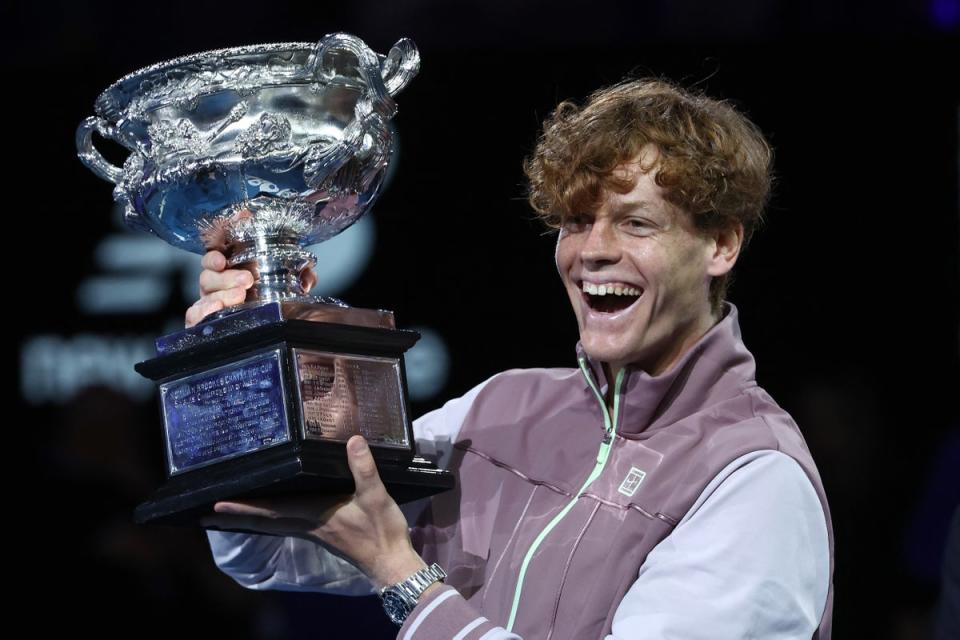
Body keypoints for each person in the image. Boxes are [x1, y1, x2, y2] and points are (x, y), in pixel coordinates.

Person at [193, 78, 835, 639]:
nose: (594, 251)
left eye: (636, 223)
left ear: (720, 244)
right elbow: (268, 547)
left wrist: (404, 578)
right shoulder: (499, 410)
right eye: (577, 222)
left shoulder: (755, 477)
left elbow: (385, 556)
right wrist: (251, 363)